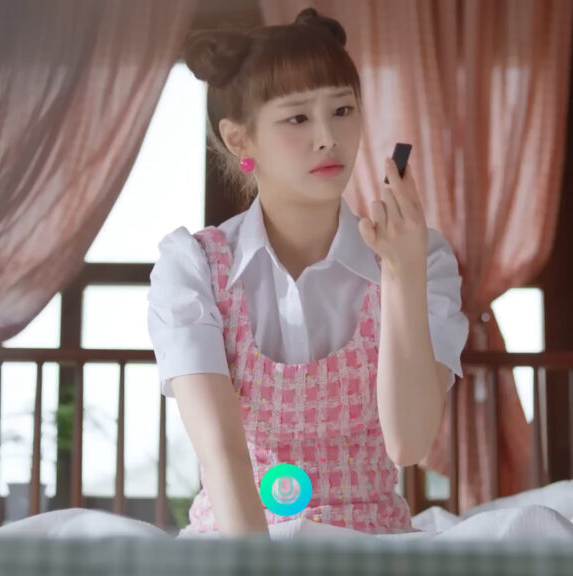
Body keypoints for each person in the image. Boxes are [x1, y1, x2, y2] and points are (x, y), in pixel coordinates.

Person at [149, 7, 469, 538]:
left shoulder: (424, 258)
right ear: (240, 140)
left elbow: (408, 443)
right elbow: (225, 457)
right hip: (240, 544)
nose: (328, 137)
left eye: (342, 110)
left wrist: (402, 273)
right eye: (297, 118)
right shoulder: (193, 269)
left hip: (373, 548)